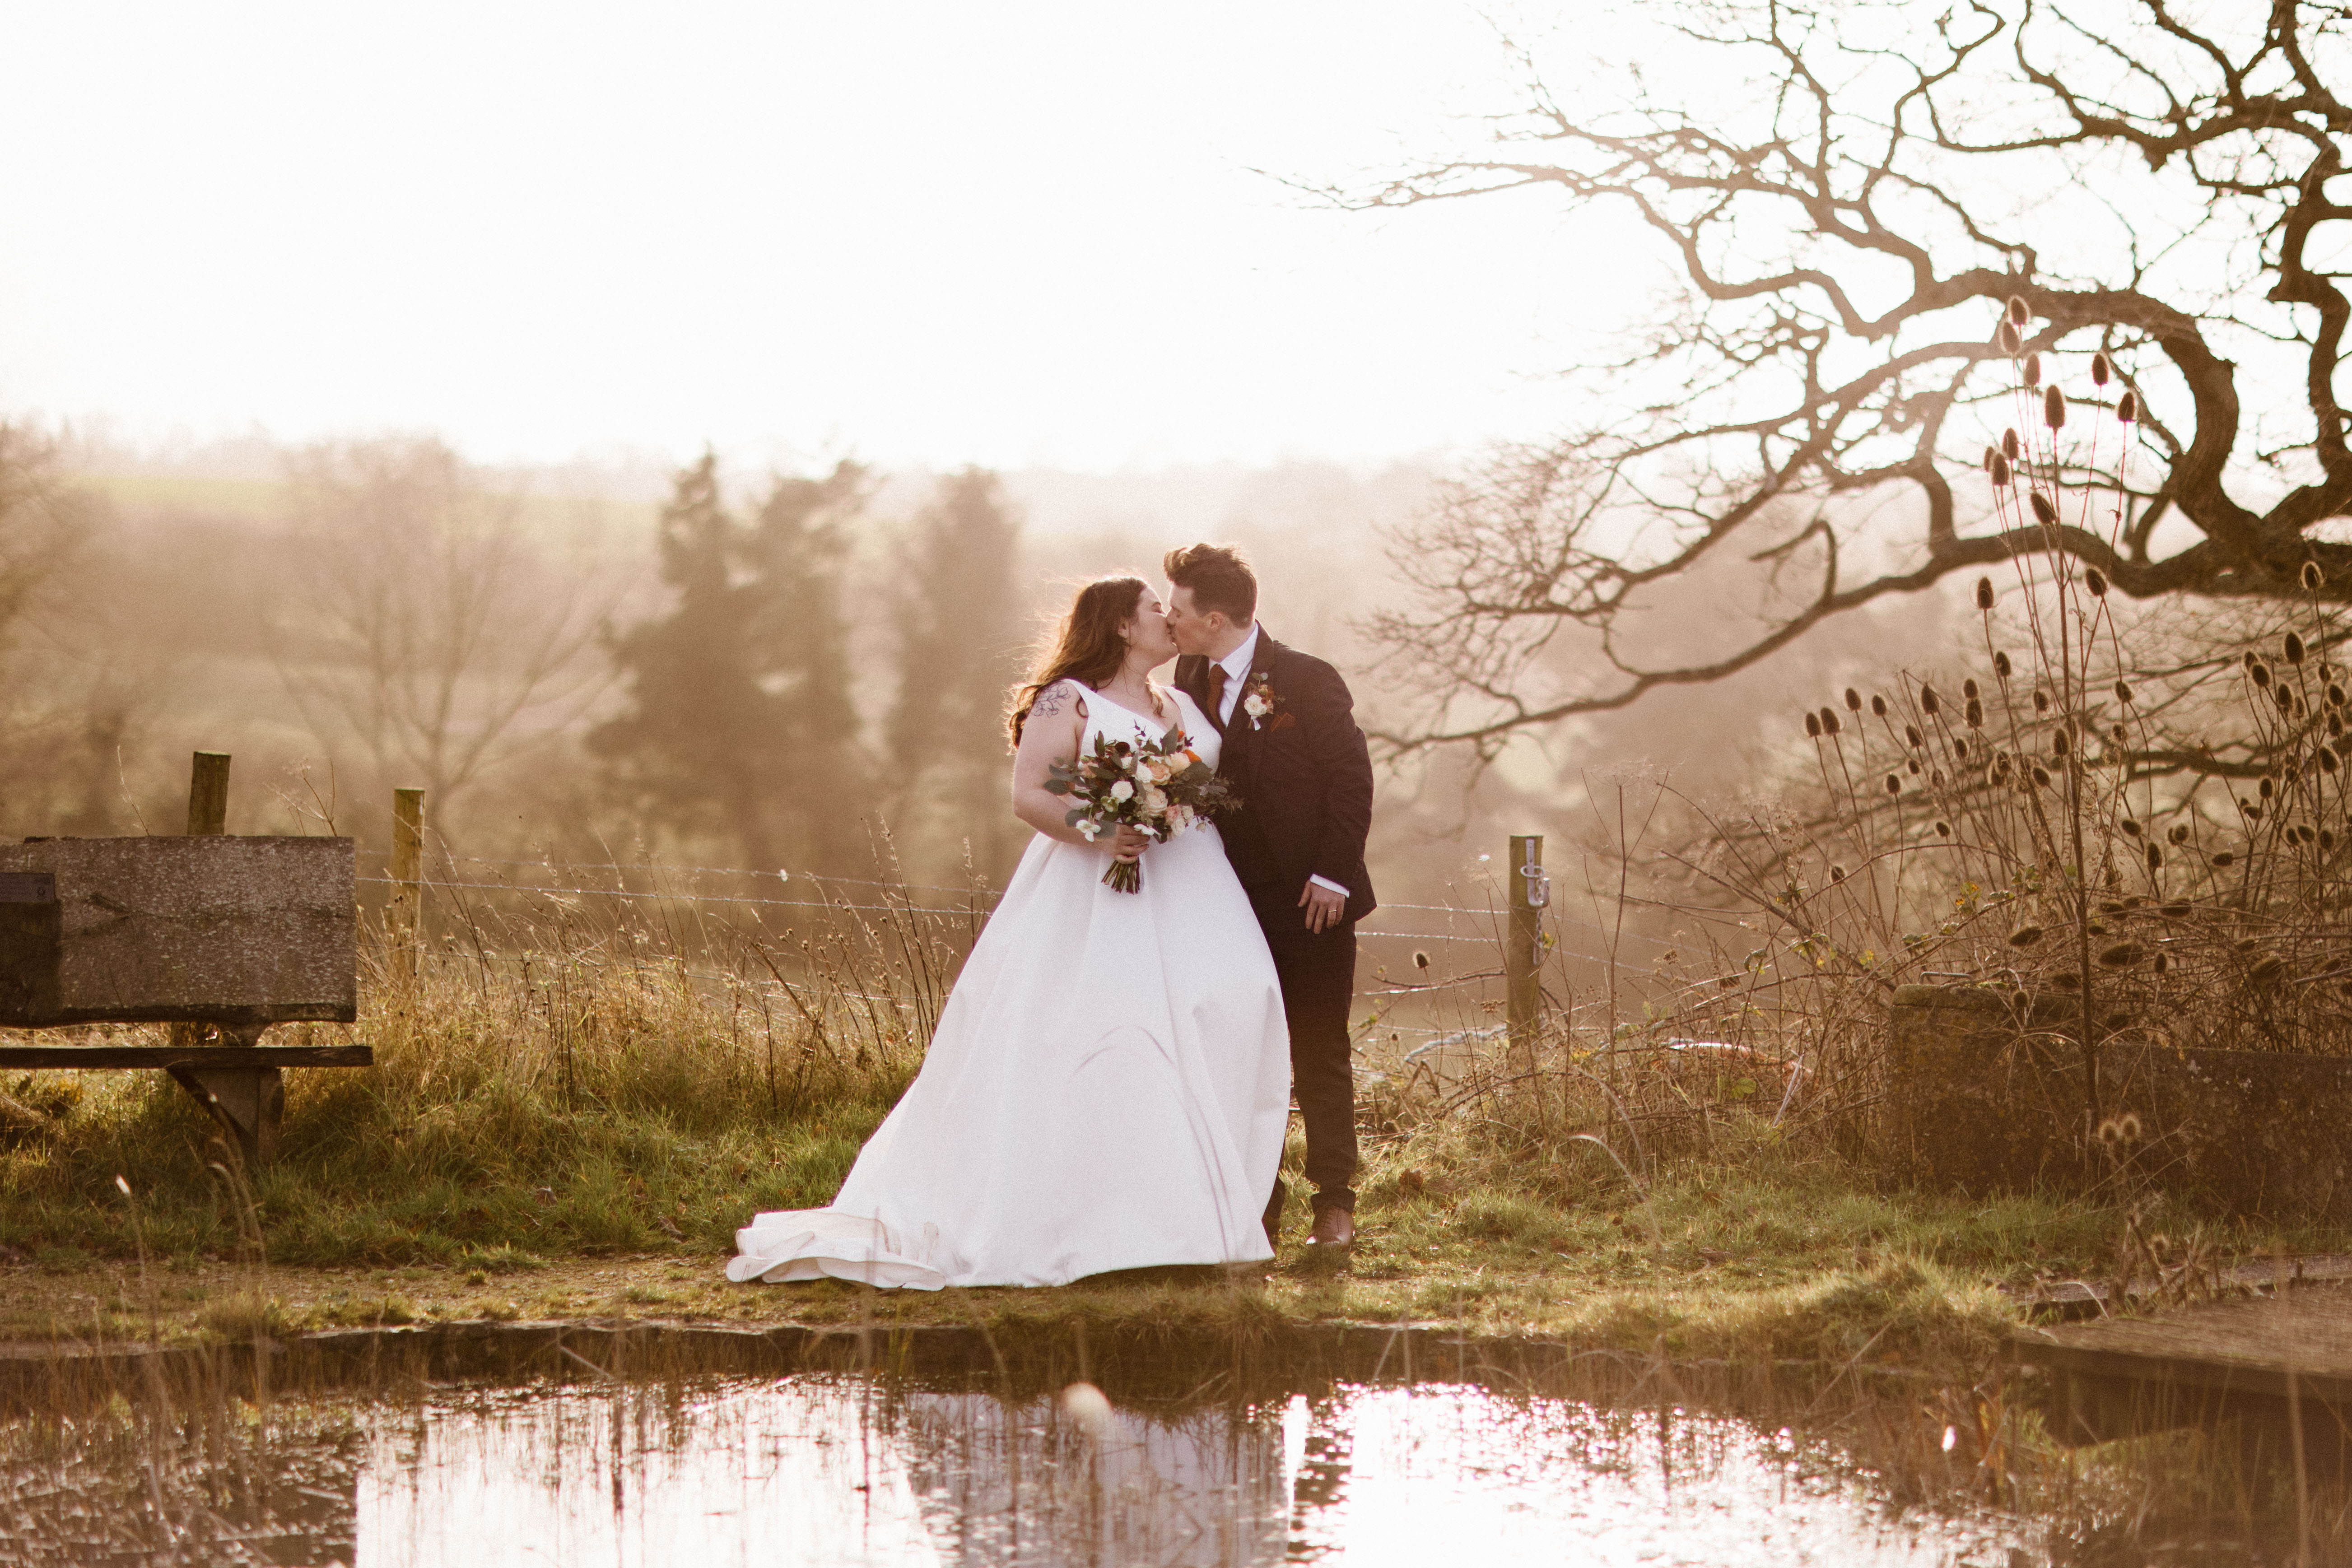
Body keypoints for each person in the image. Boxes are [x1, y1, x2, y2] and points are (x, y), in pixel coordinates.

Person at [727, 576, 1291, 1289]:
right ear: (1122, 626)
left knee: (1225, 1011)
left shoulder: (1178, 699)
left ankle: (1193, 1219)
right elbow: (1029, 794)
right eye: (1155, 608)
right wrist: (1104, 829)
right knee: (1111, 1035)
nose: (1168, 617)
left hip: (1195, 889)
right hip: (1097, 890)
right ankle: (1103, 1227)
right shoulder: (1068, 699)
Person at [1165, 543, 1376, 1252]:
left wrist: (1333, 875)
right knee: (1240, 1056)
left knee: (1318, 1049)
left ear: (1215, 618)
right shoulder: (1186, 677)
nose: (1169, 620)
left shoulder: (1307, 679)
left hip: (1309, 899)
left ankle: (1334, 1203)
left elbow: (1351, 780)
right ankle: (1255, 1204)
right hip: (1222, 902)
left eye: (1179, 609)